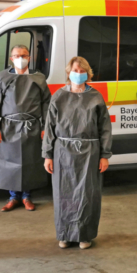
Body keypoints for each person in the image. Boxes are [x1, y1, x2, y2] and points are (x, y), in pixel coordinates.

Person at [43, 56, 112, 250]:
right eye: (75, 70)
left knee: (87, 193)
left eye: (83, 72)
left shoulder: (96, 97)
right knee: (63, 193)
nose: (79, 74)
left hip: (90, 151)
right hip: (62, 151)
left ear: (88, 74)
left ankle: (84, 235)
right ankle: (64, 233)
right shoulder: (59, 96)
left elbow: (105, 128)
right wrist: (47, 155)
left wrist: (105, 155)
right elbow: (50, 127)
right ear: (68, 73)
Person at [0, 45, 51, 212]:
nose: (20, 58)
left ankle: (27, 196)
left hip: (32, 126)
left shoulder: (38, 78)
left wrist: (45, 126)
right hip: (8, 126)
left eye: (24, 55)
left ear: (29, 58)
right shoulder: (3, 77)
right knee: (10, 162)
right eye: (16, 55)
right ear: (11, 58)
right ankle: (13, 197)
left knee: (30, 162)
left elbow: (47, 103)